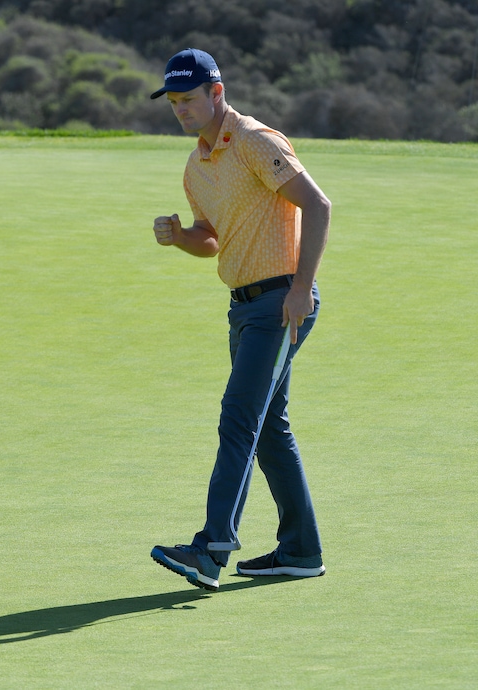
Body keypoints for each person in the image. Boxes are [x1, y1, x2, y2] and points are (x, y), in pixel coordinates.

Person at [147, 49, 331, 591]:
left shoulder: (254, 141)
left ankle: (212, 548)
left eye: (189, 100)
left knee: (239, 417)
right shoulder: (196, 166)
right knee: (269, 429)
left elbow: (317, 206)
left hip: (280, 304)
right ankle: (300, 550)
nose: (181, 110)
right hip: (244, 307)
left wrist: (300, 291)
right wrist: (183, 238)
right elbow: (213, 237)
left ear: (217, 93)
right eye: (174, 103)